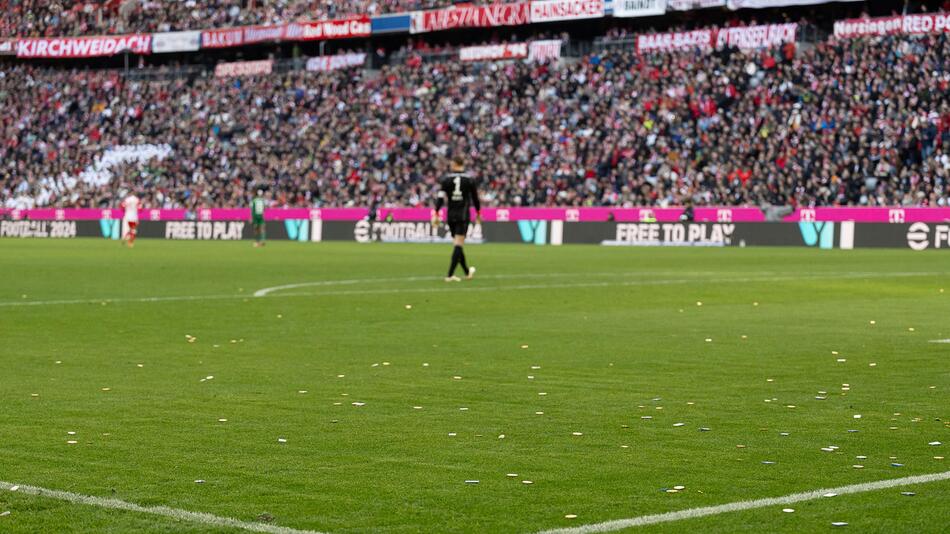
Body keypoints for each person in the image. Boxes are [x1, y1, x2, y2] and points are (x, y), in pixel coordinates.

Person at [432, 157, 481, 282]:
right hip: (463, 215)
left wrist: (436, 212)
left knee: (457, 244)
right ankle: (450, 275)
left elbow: (440, 198)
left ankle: (467, 271)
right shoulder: (469, 180)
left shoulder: (446, 180)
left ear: (455, 164)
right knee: (458, 244)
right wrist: (478, 213)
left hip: (451, 215)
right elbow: (475, 198)